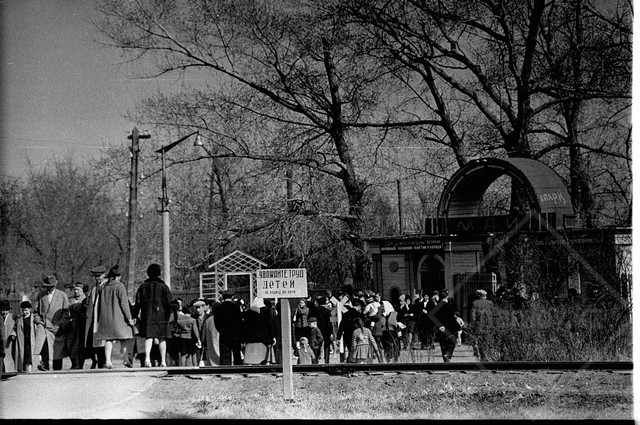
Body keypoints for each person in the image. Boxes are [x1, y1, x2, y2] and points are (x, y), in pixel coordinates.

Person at [94, 265, 136, 369]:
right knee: (125, 338)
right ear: (118, 276)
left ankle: (108, 361)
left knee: (108, 340)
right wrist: (129, 318)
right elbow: (124, 304)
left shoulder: (103, 287)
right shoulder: (120, 286)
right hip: (119, 318)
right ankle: (126, 360)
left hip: (106, 319)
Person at [133, 263, 173, 368]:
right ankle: (163, 361)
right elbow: (169, 302)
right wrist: (175, 306)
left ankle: (147, 358)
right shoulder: (164, 287)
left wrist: (135, 315)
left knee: (149, 337)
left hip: (147, 315)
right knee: (162, 338)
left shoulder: (142, 287)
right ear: (159, 273)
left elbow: (138, 303)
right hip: (161, 316)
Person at [35, 275, 70, 371]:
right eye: (48, 286)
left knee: (57, 352)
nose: (49, 288)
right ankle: (44, 365)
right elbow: (36, 311)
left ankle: (57, 371)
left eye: (51, 286)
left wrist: (62, 325)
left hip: (57, 328)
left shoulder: (62, 295)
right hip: (44, 327)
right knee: (44, 348)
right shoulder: (41, 295)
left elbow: (66, 312)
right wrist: (38, 320)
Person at [85, 266, 108, 368]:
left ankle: (104, 361)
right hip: (94, 319)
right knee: (95, 340)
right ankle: (97, 360)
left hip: (104, 319)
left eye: (99, 276)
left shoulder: (107, 287)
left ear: (104, 275)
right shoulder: (94, 289)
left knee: (104, 340)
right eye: (95, 276)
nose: (97, 278)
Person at [167, 300, 201, 366]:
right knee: (192, 353)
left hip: (182, 337)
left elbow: (177, 329)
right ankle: (194, 366)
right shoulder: (192, 320)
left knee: (183, 353)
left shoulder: (179, 320)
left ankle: (182, 367)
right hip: (190, 337)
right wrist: (198, 339)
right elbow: (195, 330)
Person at [241, 297, 274, 365]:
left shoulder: (248, 312)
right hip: (264, 338)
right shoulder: (266, 311)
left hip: (251, 338)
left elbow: (245, 326)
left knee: (251, 360)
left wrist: (243, 338)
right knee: (263, 358)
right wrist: (272, 336)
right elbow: (270, 324)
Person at [214, 290, 243, 365]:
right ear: (232, 297)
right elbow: (240, 321)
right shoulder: (236, 307)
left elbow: (216, 323)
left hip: (224, 335)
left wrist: (221, 330)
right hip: (235, 335)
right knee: (237, 355)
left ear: (222, 297)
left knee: (224, 356)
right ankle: (238, 371)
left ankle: (225, 372)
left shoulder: (218, 308)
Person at [432, 289, 462, 362]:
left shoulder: (438, 305)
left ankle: (446, 359)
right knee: (451, 342)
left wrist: (439, 325)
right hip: (449, 327)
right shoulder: (450, 304)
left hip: (442, 328)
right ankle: (447, 354)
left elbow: (431, 315)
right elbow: (453, 316)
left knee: (443, 344)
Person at [15, 301, 45, 373]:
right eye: (23, 310)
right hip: (23, 341)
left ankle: (31, 371)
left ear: (30, 309)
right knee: (23, 357)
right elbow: (15, 328)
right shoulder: (20, 320)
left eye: (26, 310)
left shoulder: (34, 319)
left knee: (31, 358)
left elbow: (41, 327)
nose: (24, 312)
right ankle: (25, 371)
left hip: (32, 341)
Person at [336, 298, 365, 363]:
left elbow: (341, 326)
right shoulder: (359, 315)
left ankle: (351, 362)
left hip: (347, 335)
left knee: (350, 349)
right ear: (359, 306)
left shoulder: (346, 314)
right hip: (358, 335)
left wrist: (338, 338)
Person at [66, 282, 86, 369]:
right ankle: (73, 362)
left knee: (80, 345)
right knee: (70, 344)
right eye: (75, 290)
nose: (76, 291)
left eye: (78, 290)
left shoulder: (86, 299)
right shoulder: (70, 300)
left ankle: (80, 363)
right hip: (72, 325)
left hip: (82, 325)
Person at [201, 301, 221, 366]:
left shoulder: (208, 320)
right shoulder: (224, 319)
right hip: (222, 348)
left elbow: (203, 337)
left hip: (211, 350)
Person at [315, 297, 333, 364]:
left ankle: (316, 360)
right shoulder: (328, 311)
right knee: (327, 346)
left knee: (318, 345)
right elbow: (330, 322)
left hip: (317, 329)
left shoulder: (315, 310)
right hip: (326, 330)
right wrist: (331, 332)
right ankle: (326, 360)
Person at [1, 300, 17, 373]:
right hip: (1, 342)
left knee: (8, 359)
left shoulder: (13, 318)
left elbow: (15, 328)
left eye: (6, 310)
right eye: (2, 310)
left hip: (8, 343)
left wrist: (13, 334)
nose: (4, 312)